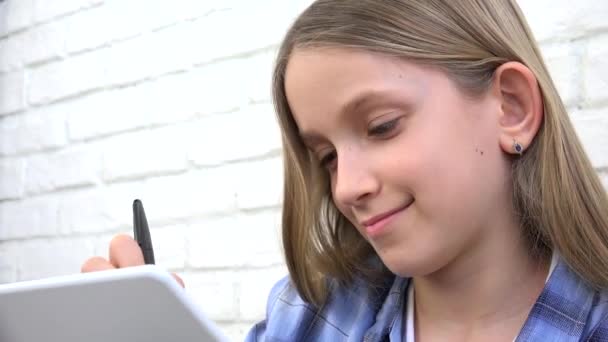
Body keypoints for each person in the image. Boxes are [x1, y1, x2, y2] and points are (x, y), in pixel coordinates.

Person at [82, 0, 608, 340]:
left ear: (510, 107)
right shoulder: (310, 315)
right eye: (327, 158)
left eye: (382, 127)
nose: (347, 188)